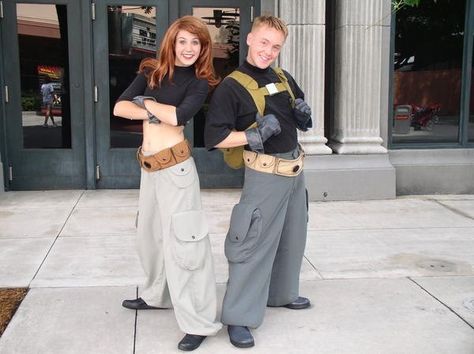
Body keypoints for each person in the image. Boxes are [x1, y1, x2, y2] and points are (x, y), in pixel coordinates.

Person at [113, 16, 222, 351]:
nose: (189, 48)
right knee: (150, 237)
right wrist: (151, 109)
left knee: (186, 246)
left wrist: (144, 104)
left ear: (203, 48)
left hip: (177, 171)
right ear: (172, 43)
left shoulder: (200, 82)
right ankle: (156, 295)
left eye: (197, 43)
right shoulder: (150, 72)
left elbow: (180, 116)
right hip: (149, 169)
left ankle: (199, 322)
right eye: (183, 41)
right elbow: (119, 107)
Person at [204, 15, 313, 348]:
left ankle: (281, 294)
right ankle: (238, 316)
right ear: (250, 39)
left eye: (276, 46)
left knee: (292, 237)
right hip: (265, 174)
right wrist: (252, 135)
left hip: (295, 171)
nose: (269, 51)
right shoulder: (231, 86)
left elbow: (298, 113)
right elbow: (215, 137)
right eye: (264, 42)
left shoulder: (282, 76)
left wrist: (303, 116)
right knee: (250, 244)